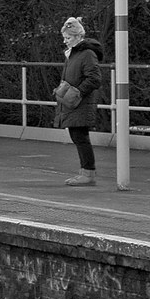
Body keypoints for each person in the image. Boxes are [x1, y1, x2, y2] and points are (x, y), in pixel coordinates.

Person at [54, 16, 103, 186]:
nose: (65, 41)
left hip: (80, 102)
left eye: (68, 38)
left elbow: (95, 78)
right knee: (78, 136)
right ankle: (85, 172)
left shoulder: (86, 54)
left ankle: (88, 173)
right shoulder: (75, 54)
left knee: (80, 137)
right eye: (64, 37)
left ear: (77, 37)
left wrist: (77, 92)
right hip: (76, 102)